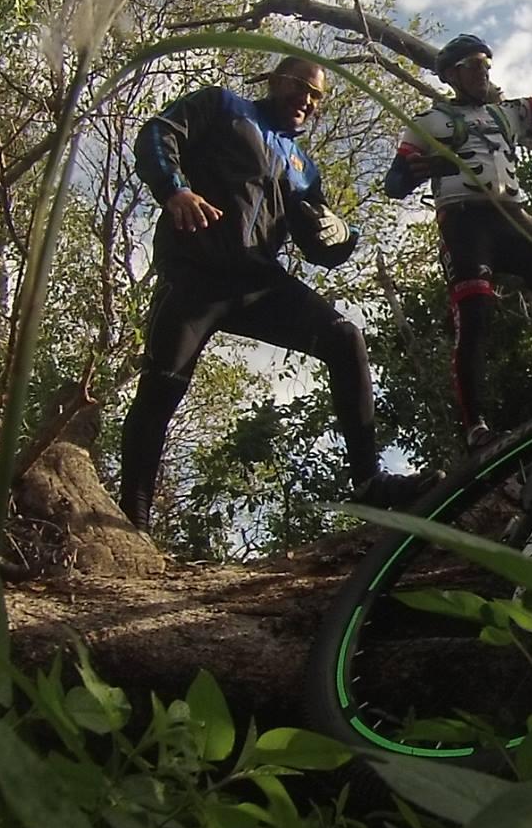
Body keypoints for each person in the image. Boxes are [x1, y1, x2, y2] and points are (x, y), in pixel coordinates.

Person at [118, 55, 432, 532]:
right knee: (163, 382)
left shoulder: (303, 167)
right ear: (275, 80)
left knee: (345, 338)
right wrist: (175, 190)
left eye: (315, 95)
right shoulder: (224, 107)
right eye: (299, 87)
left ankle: (369, 482)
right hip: (196, 273)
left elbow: (319, 245)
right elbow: (158, 133)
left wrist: (341, 234)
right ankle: (132, 520)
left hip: (259, 282)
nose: (305, 100)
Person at [384, 4, 532, 446]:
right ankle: (476, 427)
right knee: (475, 315)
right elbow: (394, 182)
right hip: (466, 225)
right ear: (450, 74)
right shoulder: (430, 122)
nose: (482, 73)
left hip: (514, 221)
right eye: (473, 66)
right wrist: (414, 172)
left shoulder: (506, 114)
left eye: (487, 65)